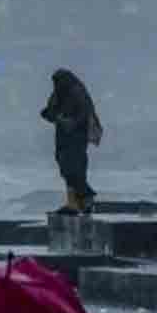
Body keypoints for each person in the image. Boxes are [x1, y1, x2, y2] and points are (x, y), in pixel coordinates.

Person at [40, 68, 104, 215]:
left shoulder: (77, 92)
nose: (56, 84)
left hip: (77, 138)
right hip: (63, 137)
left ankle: (82, 201)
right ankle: (76, 203)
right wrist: (54, 116)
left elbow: (85, 113)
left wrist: (71, 122)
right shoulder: (59, 93)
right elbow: (51, 111)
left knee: (74, 169)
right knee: (67, 169)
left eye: (58, 81)